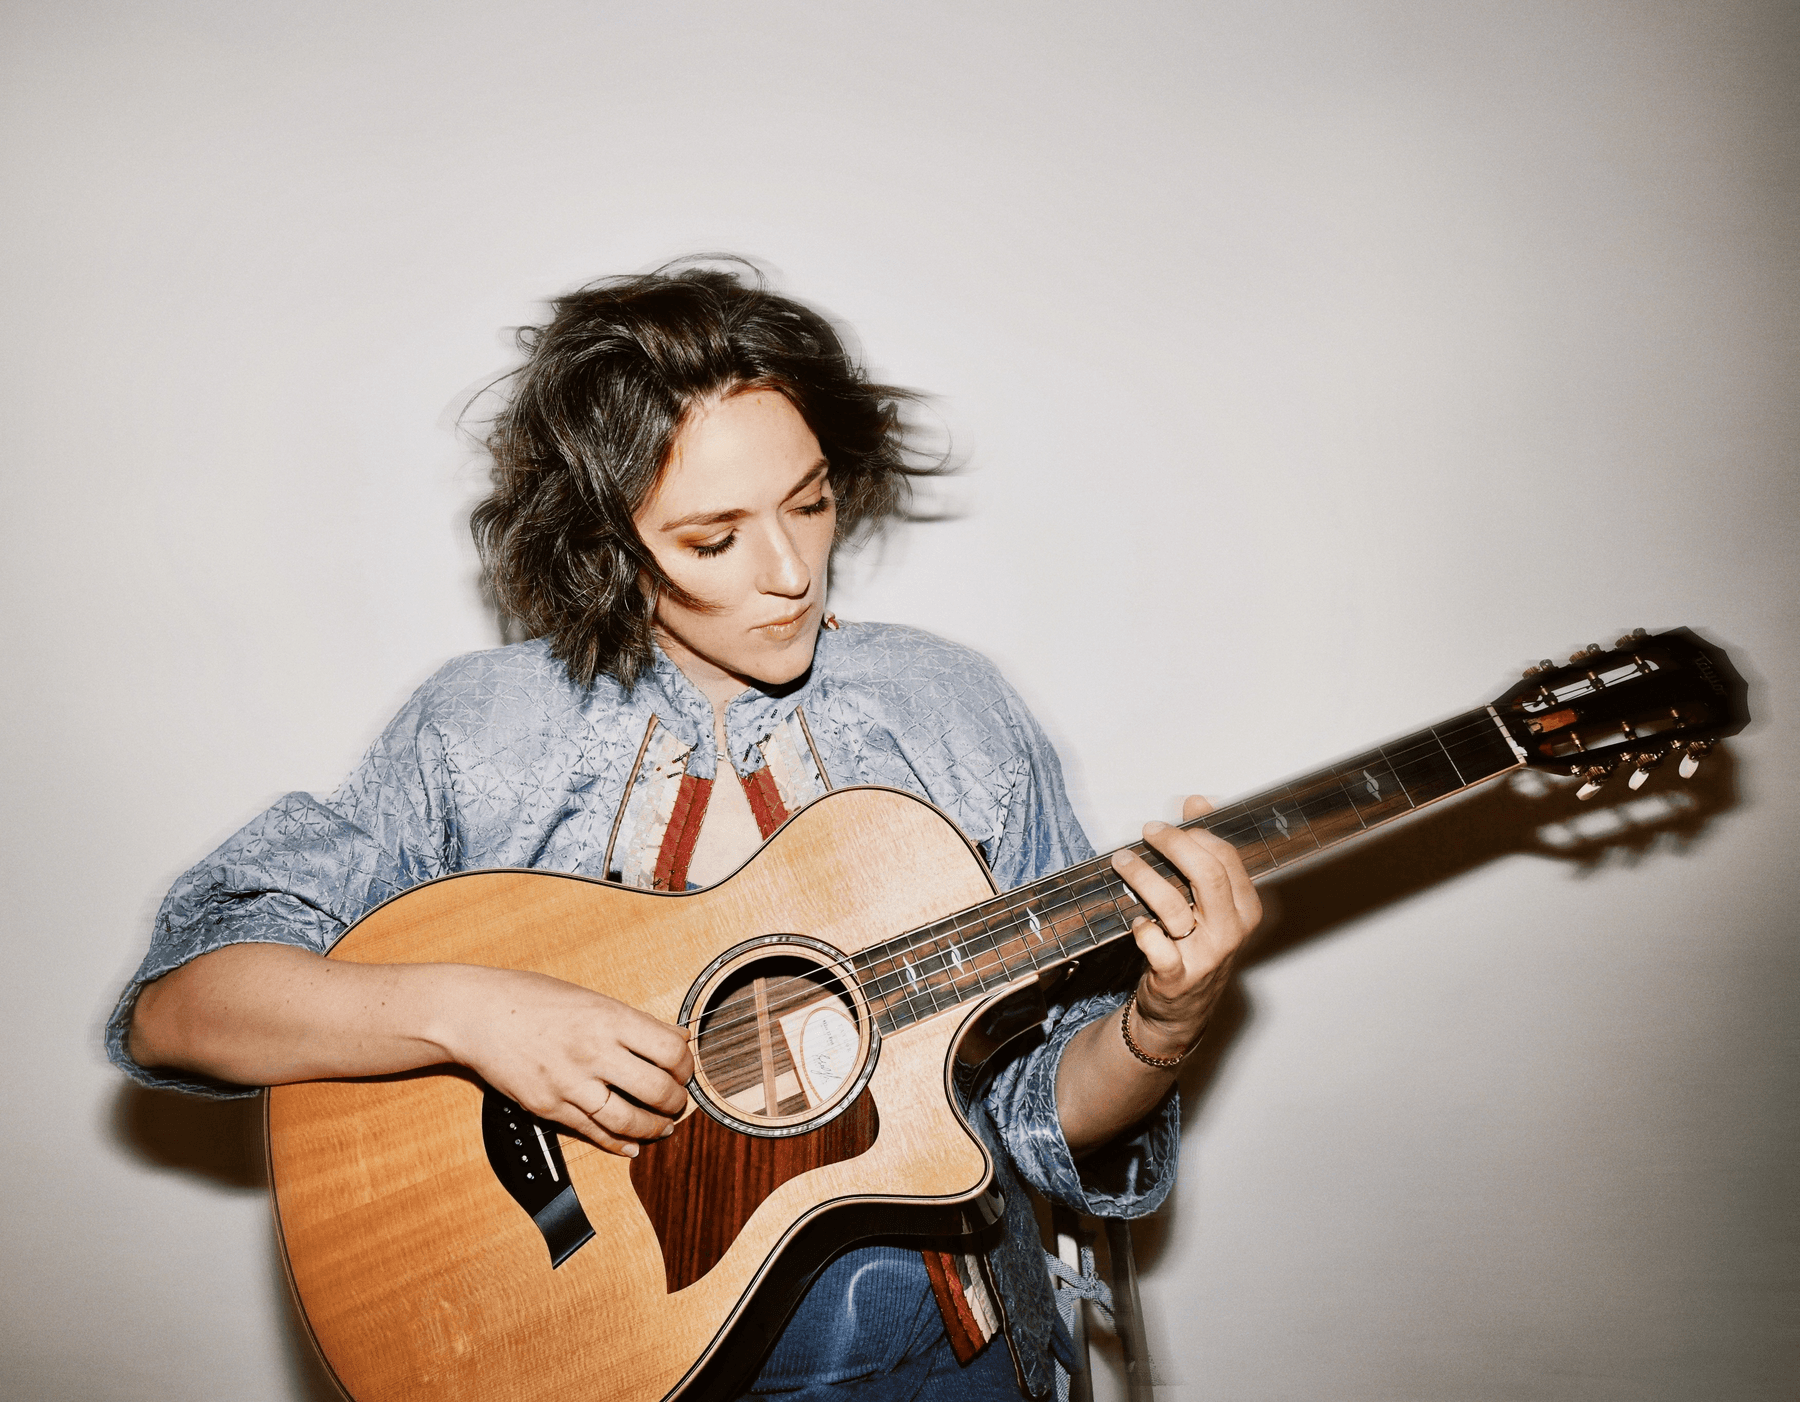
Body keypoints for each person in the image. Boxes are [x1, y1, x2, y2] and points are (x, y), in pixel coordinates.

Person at [107, 263, 1261, 1400]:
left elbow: (1040, 1114)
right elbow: (179, 1011)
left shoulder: (950, 715)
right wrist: (470, 1013)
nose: (792, 571)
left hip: (933, 1366)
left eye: (810, 501)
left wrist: (1166, 1018)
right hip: (581, 1364)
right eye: (714, 540)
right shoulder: (479, 732)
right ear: (605, 544)